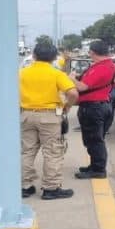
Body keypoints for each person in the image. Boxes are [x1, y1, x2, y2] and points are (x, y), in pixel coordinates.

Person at [20, 43, 79, 200]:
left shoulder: (22, 73)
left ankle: (25, 186)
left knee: (27, 151)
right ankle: (50, 188)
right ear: (54, 58)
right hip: (49, 116)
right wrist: (66, 108)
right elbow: (73, 93)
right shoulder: (57, 74)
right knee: (52, 152)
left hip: (26, 115)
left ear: (34, 55)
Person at [69, 40, 115, 179]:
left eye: (89, 52)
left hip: (94, 107)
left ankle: (98, 169)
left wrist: (71, 79)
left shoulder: (101, 68)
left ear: (93, 53)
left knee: (94, 140)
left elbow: (82, 87)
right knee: (93, 139)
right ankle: (95, 165)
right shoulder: (107, 66)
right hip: (99, 105)